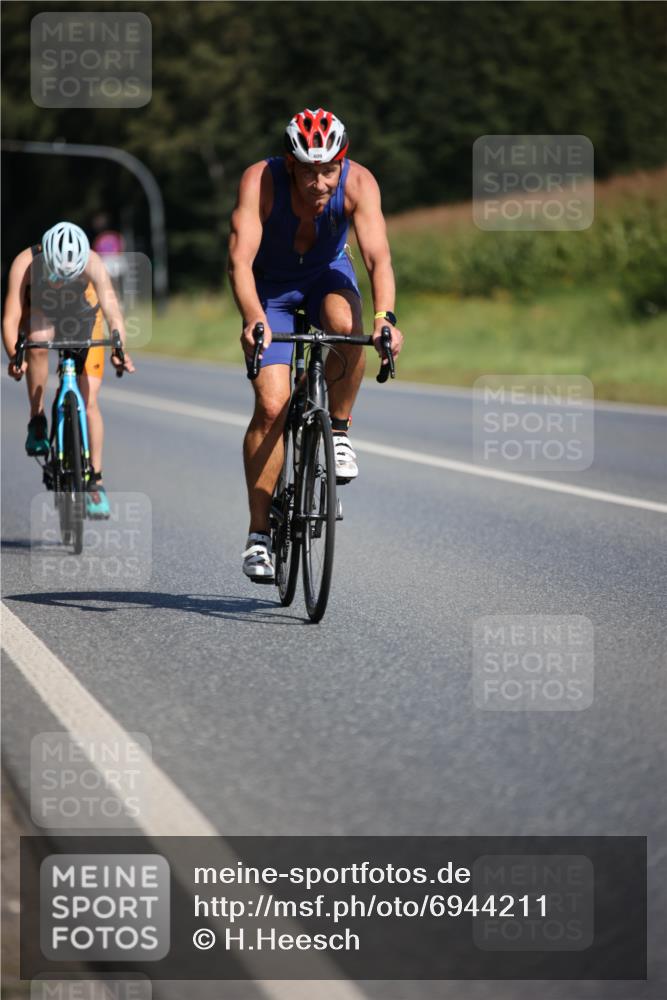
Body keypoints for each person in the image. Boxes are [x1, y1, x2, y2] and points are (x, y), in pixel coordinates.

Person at [228, 107, 404, 581]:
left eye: (328, 168)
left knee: (348, 324)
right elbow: (240, 261)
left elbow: (377, 257)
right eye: (309, 169)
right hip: (271, 290)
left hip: (326, 276)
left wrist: (387, 320)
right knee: (272, 406)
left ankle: (340, 430)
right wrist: (253, 318)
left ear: (341, 161)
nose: (320, 181)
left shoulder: (359, 184)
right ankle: (259, 536)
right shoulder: (260, 181)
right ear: (291, 164)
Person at [2, 221, 135, 518]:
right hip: (43, 313)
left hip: (84, 316)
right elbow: (11, 317)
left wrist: (119, 348)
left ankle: (95, 483)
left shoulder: (93, 262)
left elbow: (113, 311)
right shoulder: (25, 263)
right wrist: (15, 356)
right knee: (35, 343)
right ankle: (37, 419)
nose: (60, 281)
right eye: (56, 275)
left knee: (88, 403)